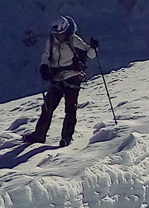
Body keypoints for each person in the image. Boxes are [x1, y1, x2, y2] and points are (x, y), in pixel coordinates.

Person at [22, 16, 99, 147]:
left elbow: (89, 54)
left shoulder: (74, 39)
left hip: (72, 76)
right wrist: (44, 66)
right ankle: (40, 135)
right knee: (47, 107)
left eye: (61, 33)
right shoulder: (52, 40)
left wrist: (93, 48)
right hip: (56, 77)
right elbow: (46, 56)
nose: (59, 36)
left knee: (70, 108)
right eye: (56, 34)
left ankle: (66, 138)